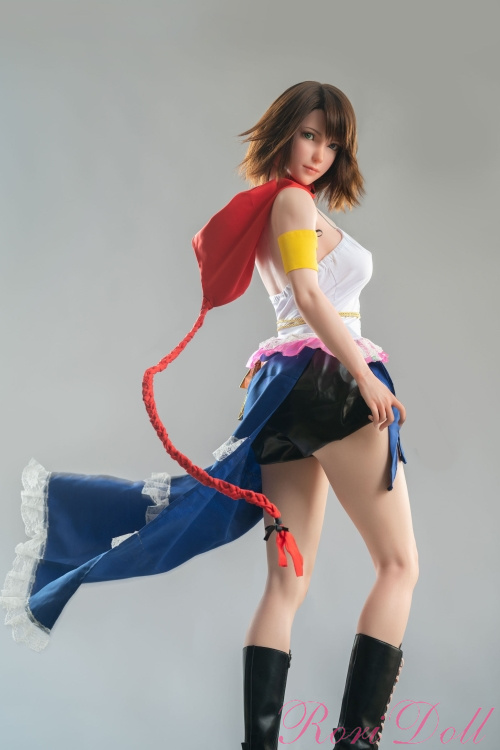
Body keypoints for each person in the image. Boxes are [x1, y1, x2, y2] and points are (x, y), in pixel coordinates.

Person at [1, 82, 418, 749]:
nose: (319, 153)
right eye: (310, 134)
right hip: (330, 387)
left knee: (286, 584)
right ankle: (356, 742)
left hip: (283, 396)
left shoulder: (275, 206)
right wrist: (365, 377)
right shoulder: (291, 201)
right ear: (285, 131)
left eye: (333, 142)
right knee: (398, 567)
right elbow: (310, 296)